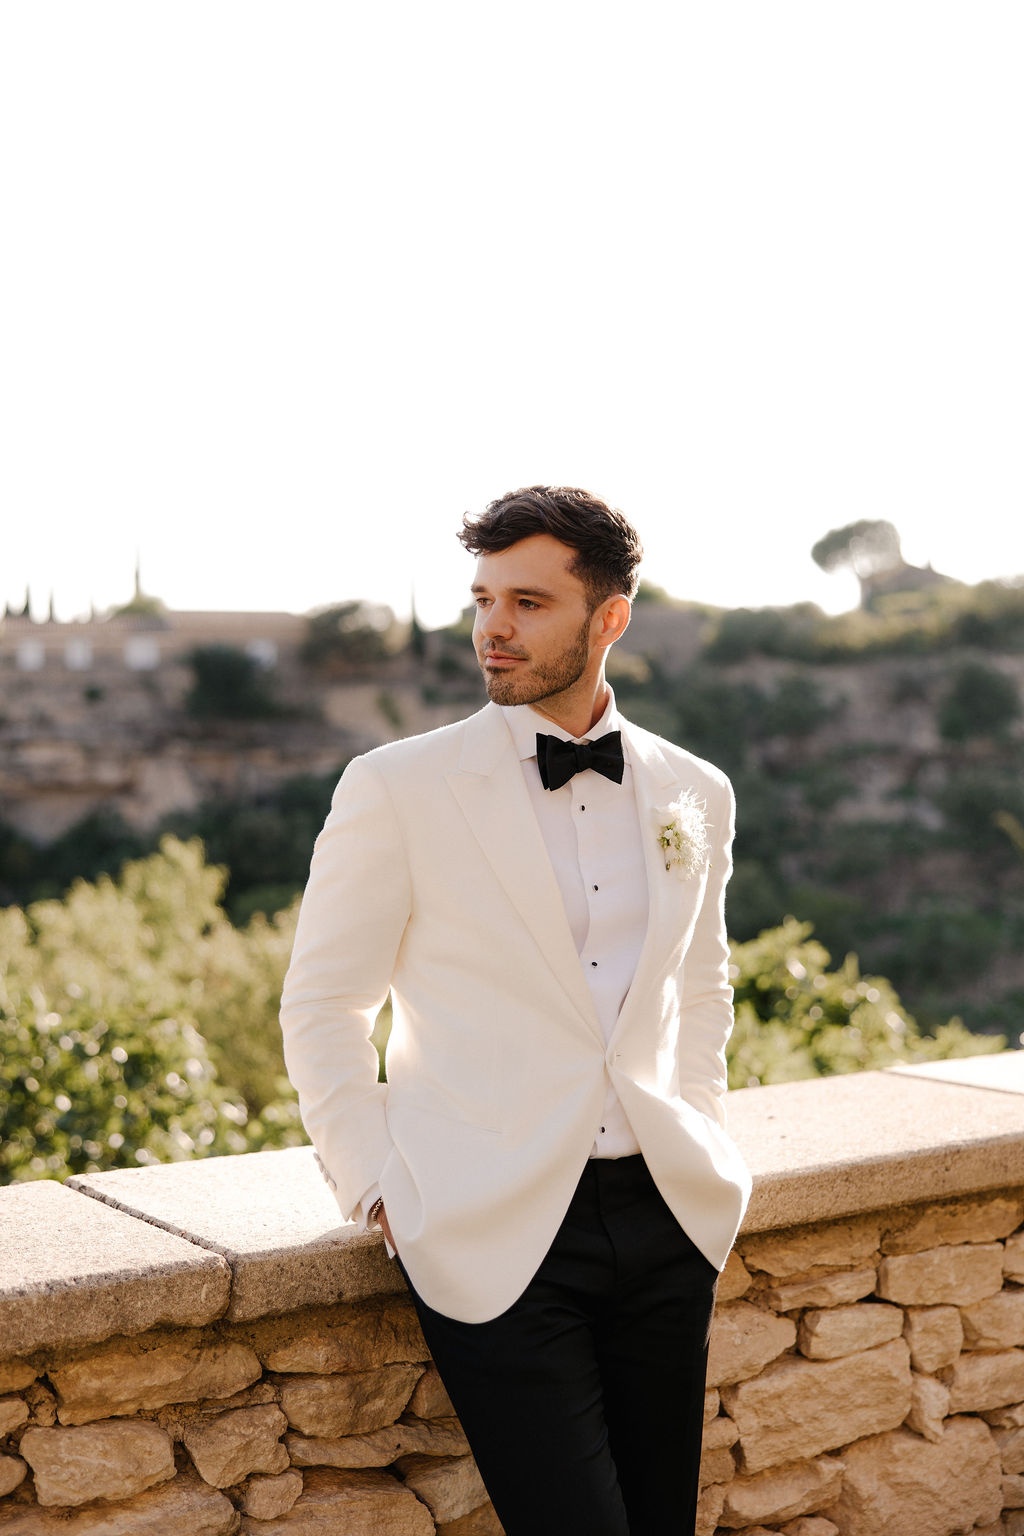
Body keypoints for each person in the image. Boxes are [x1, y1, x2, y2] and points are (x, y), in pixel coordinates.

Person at [280, 485, 751, 1536]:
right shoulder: (395, 785)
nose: (493, 627)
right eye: (483, 598)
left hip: (665, 1215)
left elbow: (699, 988)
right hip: (489, 1225)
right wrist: (377, 1189)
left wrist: (702, 1134)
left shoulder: (694, 791)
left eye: (529, 601)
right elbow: (322, 1005)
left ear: (610, 618)